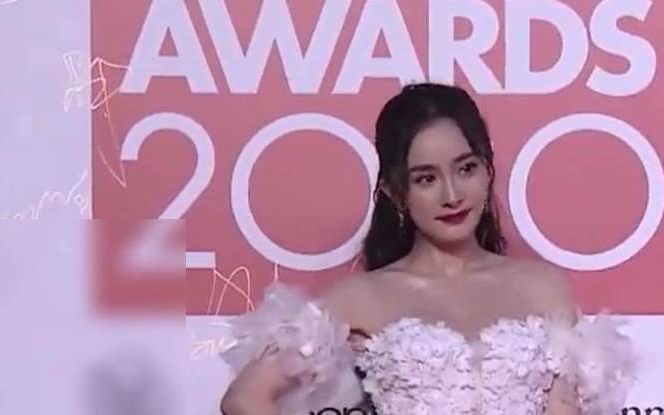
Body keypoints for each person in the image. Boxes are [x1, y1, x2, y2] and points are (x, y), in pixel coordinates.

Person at [218, 83, 637, 415]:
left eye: (466, 169)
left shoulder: (543, 287)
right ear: (395, 192)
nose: (452, 195)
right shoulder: (361, 298)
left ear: (488, 169)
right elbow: (245, 398)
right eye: (426, 179)